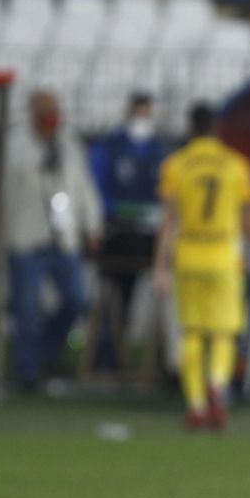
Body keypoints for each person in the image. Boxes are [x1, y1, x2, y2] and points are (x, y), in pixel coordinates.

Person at [153, 103, 250, 430]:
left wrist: (159, 265)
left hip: (189, 254)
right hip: (224, 253)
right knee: (224, 331)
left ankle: (197, 404)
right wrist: (248, 254)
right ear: (217, 128)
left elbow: (169, 220)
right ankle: (217, 383)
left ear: (190, 127)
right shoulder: (237, 165)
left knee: (192, 331)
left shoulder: (176, 165)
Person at [0, 90, 103, 392]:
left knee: (77, 298)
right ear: (32, 112)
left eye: (54, 109)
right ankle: (27, 369)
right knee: (26, 306)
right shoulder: (14, 146)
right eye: (45, 109)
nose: (51, 115)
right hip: (25, 234)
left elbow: (84, 188)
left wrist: (92, 226)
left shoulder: (69, 144)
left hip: (64, 235)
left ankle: (44, 350)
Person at [88, 92, 168, 372]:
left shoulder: (158, 151)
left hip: (150, 236)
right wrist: (119, 212)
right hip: (116, 234)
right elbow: (96, 189)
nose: (142, 121)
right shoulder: (110, 147)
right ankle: (105, 354)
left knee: (139, 296)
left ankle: (157, 362)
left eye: (146, 115)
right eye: (138, 114)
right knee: (113, 295)